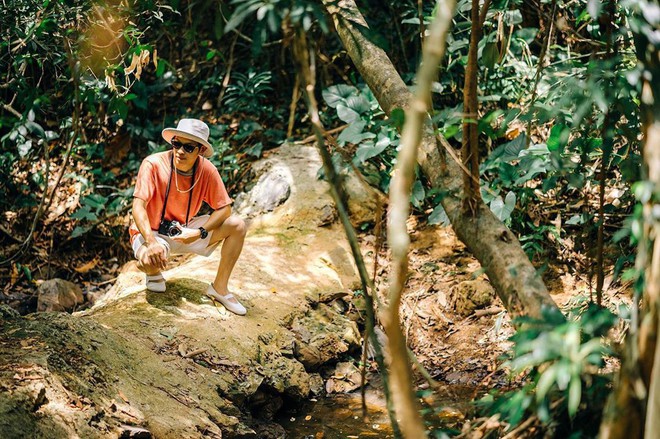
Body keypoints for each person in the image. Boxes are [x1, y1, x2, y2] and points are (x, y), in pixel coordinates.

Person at [129, 118, 248, 315]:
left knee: (237, 225)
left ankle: (220, 288)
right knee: (150, 260)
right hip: (151, 233)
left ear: (200, 150)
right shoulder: (153, 164)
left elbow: (224, 209)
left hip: (184, 230)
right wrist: (151, 242)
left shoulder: (207, 170)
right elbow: (138, 206)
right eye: (176, 144)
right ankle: (152, 271)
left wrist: (198, 232)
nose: (180, 151)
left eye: (189, 147)